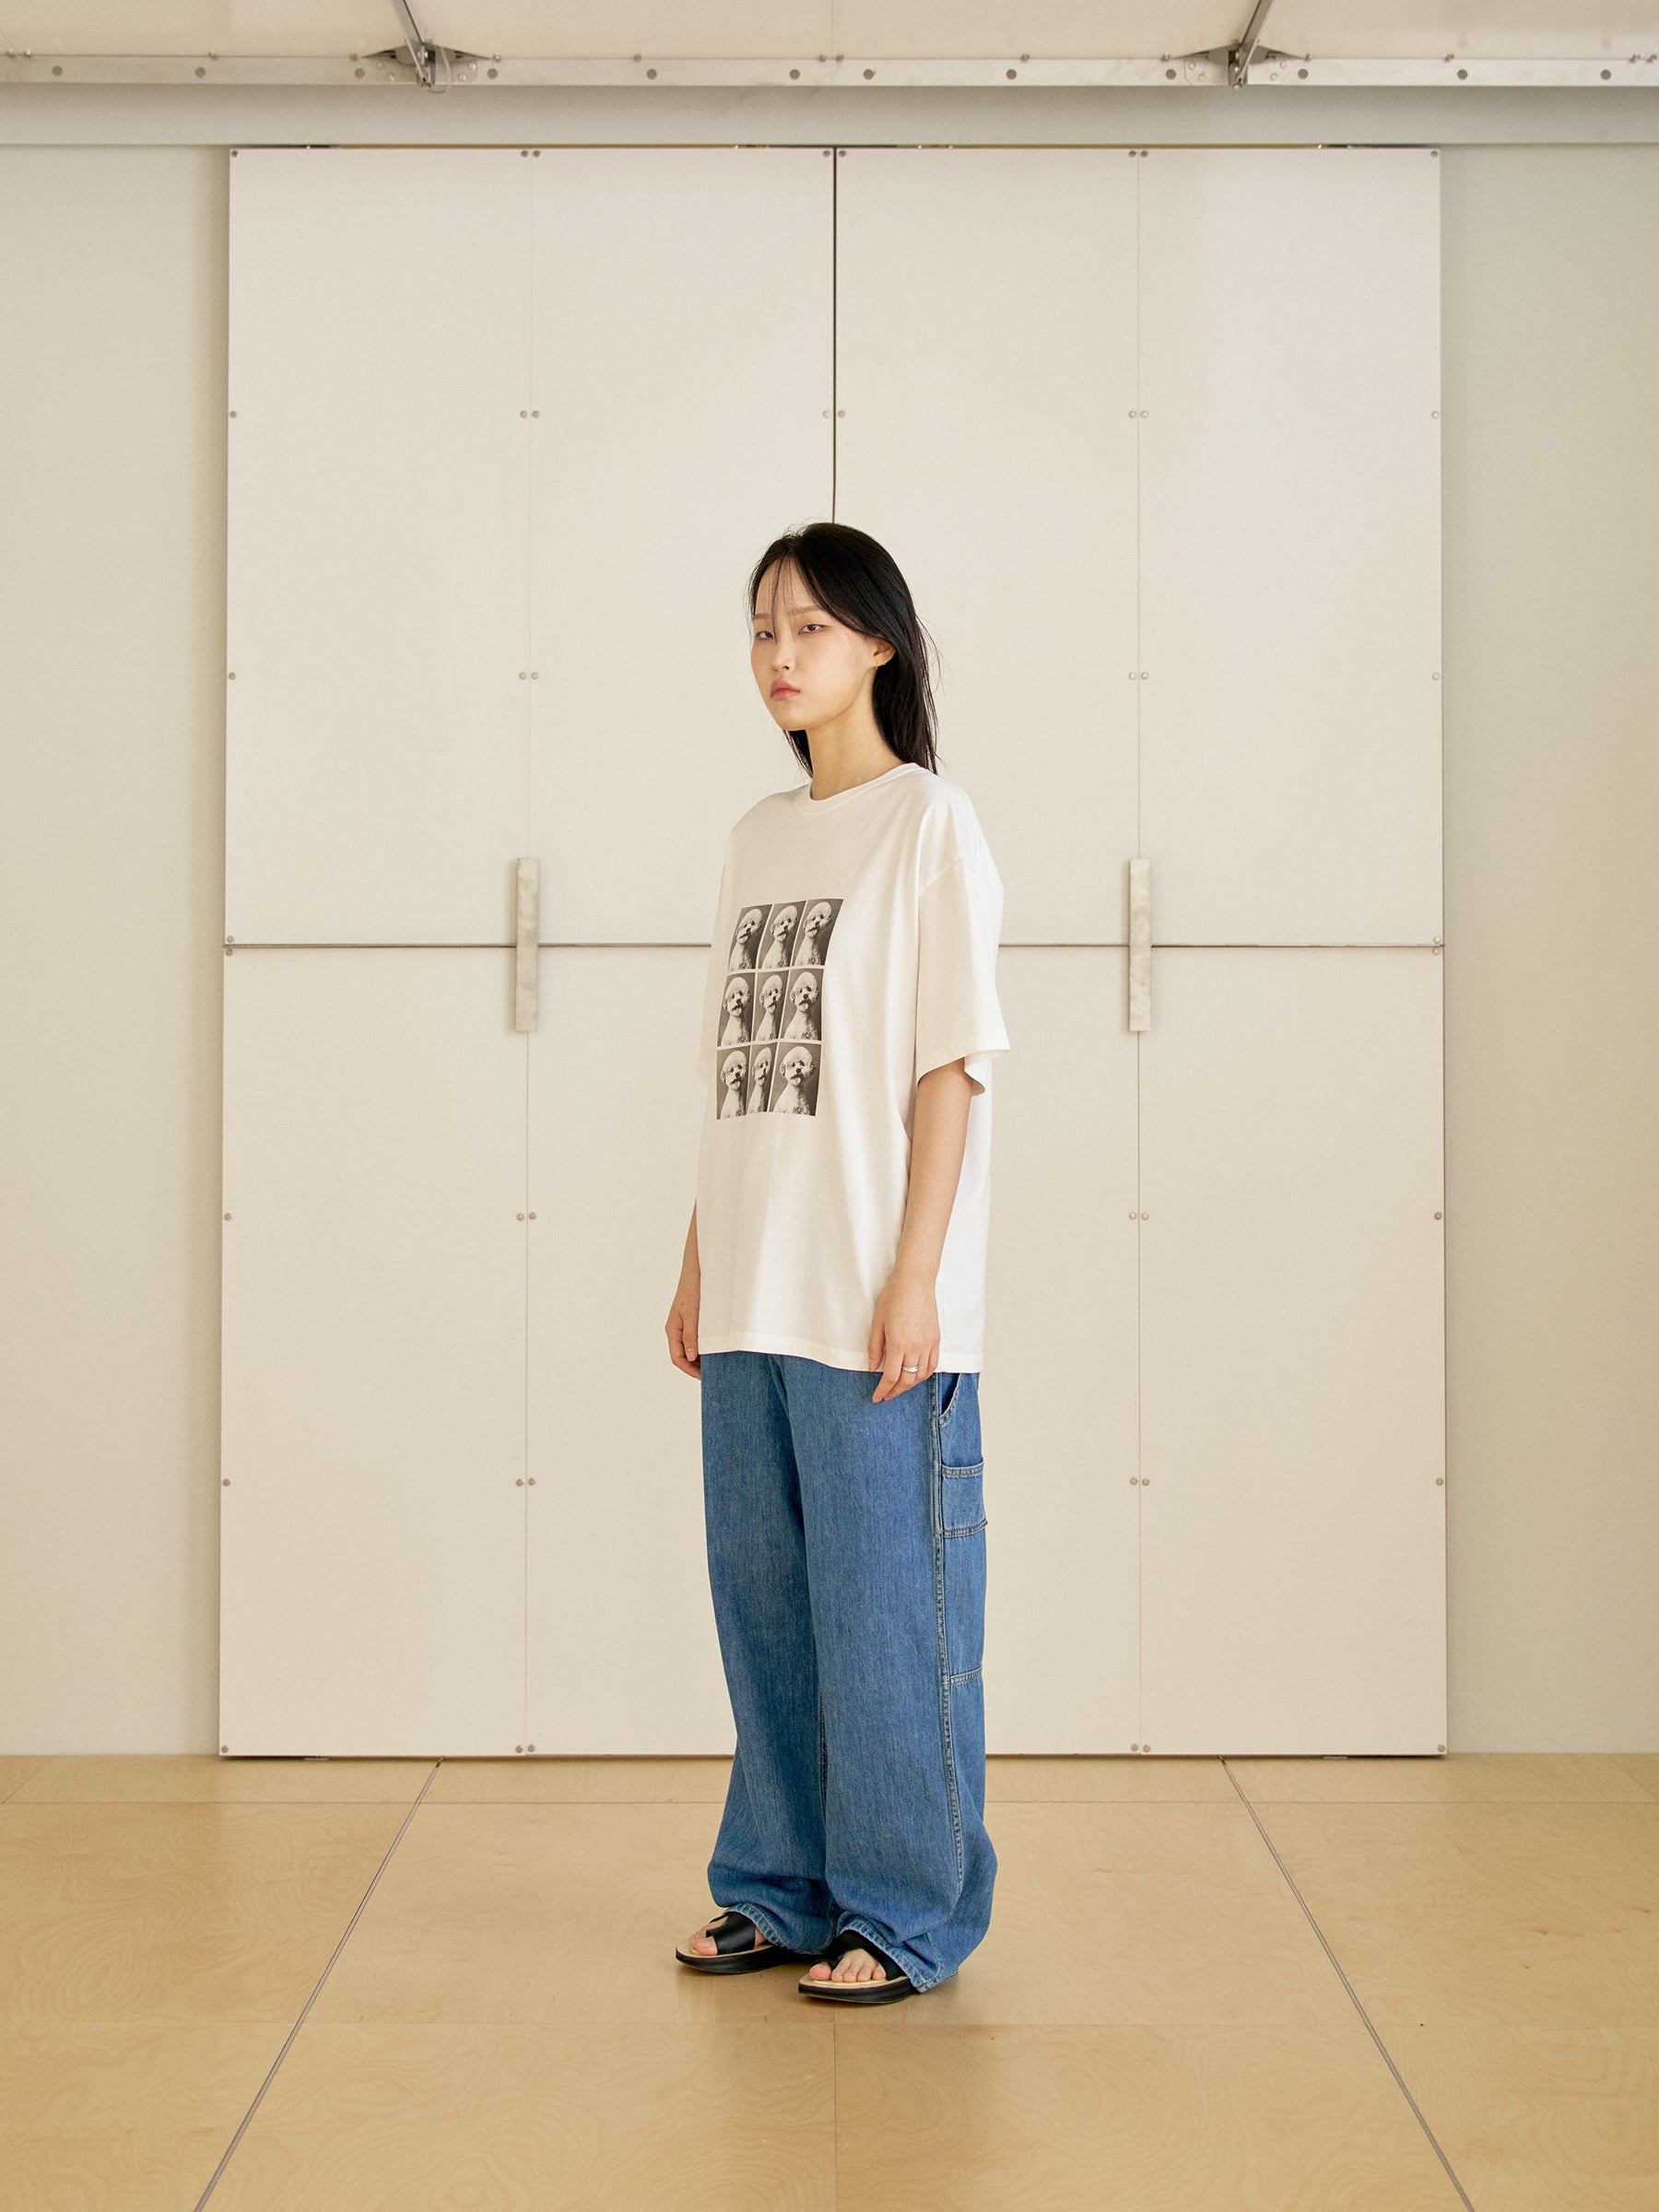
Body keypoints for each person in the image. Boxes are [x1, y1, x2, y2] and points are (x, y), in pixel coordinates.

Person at [665, 520, 1010, 2006]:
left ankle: (907, 1912)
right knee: (767, 1611)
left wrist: (917, 1273)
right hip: (753, 1286)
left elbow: (950, 1066)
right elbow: (735, 1080)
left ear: (879, 642)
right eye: (762, 629)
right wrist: (698, 1262)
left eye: (809, 626)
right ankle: (779, 1889)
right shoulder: (757, 837)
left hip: (871, 1292)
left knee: (886, 1619)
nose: (780, 655)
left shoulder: (930, 824)